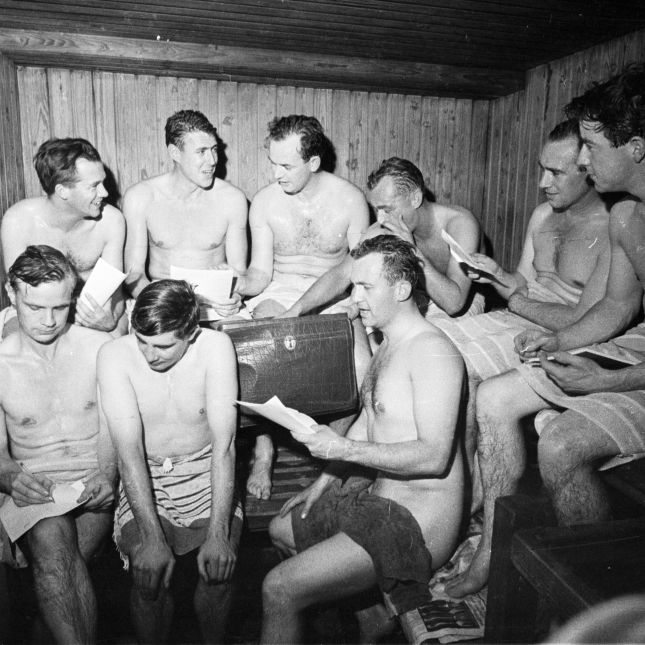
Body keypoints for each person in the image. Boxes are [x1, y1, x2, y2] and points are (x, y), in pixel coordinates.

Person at [446, 63, 645, 599]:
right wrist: (557, 341)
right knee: (494, 396)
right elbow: (617, 307)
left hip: (635, 366)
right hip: (636, 345)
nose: (584, 160)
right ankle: (489, 550)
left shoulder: (614, 219)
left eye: (591, 147)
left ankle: (599, 603)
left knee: (559, 443)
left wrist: (605, 382)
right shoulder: (628, 217)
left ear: (636, 147)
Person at [261, 235, 465, 644]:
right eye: (354, 285)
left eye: (366, 287)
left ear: (401, 289)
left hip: (418, 521)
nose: (354, 298)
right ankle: (370, 614)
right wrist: (325, 480)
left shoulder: (432, 353)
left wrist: (342, 449)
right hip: (379, 497)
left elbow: (435, 456)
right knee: (281, 528)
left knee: (278, 588)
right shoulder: (389, 343)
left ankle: (360, 608)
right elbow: (369, 420)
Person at [97, 279, 242, 643]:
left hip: (206, 468)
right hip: (146, 473)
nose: (149, 355)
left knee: (218, 572)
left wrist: (219, 535)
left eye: (163, 346)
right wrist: (151, 539)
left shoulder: (215, 347)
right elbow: (128, 453)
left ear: (191, 333)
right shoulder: (114, 356)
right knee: (149, 578)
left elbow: (224, 446)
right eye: (142, 341)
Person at [235, 114, 370, 501]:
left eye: (286, 165)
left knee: (364, 370)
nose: (276, 174)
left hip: (334, 293)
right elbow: (260, 273)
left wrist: (355, 303)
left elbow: (358, 267)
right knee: (258, 356)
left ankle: (331, 461)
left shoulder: (350, 200)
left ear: (313, 162)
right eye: (272, 163)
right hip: (279, 290)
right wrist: (232, 286)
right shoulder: (265, 202)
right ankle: (264, 452)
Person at [0, 245, 115, 643]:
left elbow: (116, 429)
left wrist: (108, 473)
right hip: (34, 483)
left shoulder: (99, 348)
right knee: (53, 543)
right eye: (35, 307)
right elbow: (0, 456)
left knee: (59, 571)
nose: (48, 321)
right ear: (11, 293)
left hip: (94, 480)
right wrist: (9, 476)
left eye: (60, 307)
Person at [282, 156, 483, 321]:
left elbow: (454, 303)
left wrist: (413, 251)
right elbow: (342, 273)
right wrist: (296, 309)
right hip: (415, 296)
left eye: (387, 209)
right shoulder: (386, 224)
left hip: (462, 301)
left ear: (415, 198)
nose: (380, 219)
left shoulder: (460, 224)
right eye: (377, 210)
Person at [123, 109, 248, 318]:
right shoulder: (141, 197)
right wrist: (161, 304)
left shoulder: (232, 199)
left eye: (214, 149)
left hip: (215, 302)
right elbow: (134, 274)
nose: (212, 160)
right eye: (201, 151)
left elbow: (238, 271)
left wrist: (235, 297)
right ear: (175, 153)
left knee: (245, 333)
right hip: (162, 301)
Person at [1, 138, 126, 335]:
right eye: (94, 186)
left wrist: (109, 319)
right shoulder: (18, 220)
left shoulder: (111, 220)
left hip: (90, 310)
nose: (104, 192)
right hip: (39, 311)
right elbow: (19, 292)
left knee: (116, 335)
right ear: (62, 191)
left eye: (102, 182)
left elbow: (116, 290)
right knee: (13, 338)